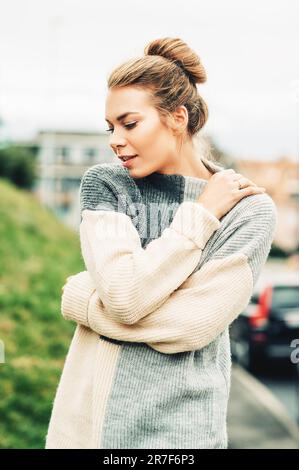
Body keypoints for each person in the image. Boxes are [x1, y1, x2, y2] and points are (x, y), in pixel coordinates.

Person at [45, 37, 277, 449]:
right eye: (110, 127)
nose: (115, 139)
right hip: (88, 431)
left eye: (129, 123)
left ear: (178, 118)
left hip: (184, 437)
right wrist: (200, 217)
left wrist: (84, 302)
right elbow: (124, 295)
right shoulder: (107, 184)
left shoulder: (248, 211)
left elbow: (191, 326)